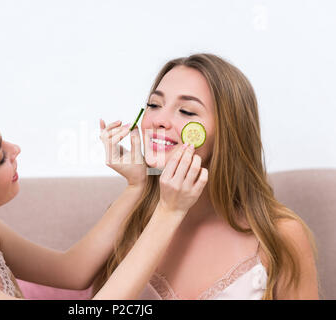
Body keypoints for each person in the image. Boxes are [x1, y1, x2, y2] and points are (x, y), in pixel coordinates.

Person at [0, 94, 208, 299]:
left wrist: (136, 186)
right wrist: (168, 212)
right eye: (1, 156)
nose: (16, 151)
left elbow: (73, 270)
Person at [94, 53, 320, 300]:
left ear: (228, 133)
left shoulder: (280, 235)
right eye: (154, 105)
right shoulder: (126, 219)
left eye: (186, 111)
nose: (159, 120)